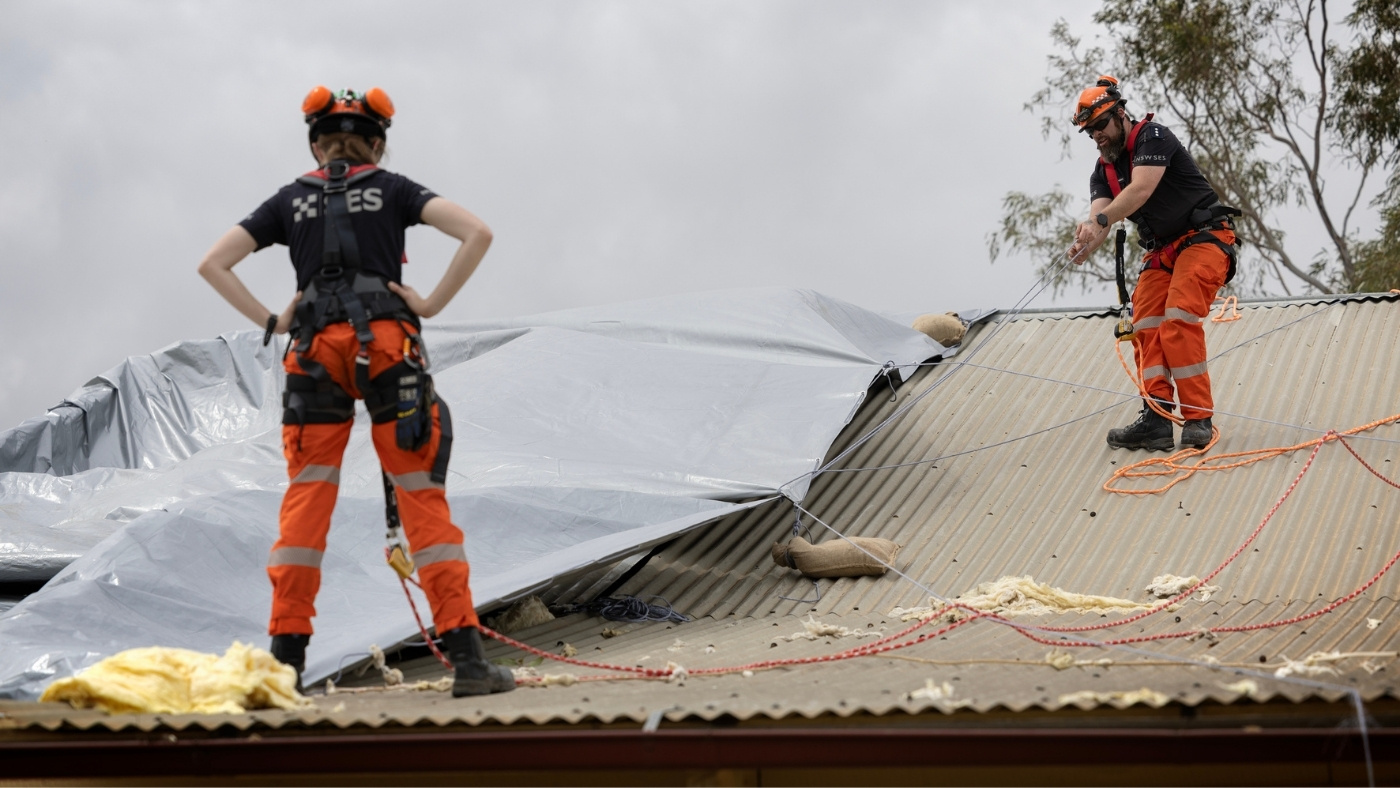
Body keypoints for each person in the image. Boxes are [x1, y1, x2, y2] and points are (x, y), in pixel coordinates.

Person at [197, 86, 514, 697]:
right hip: (388, 349)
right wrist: (429, 303)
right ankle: (469, 663)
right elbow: (477, 233)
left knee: (306, 502)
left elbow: (213, 263)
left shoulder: (289, 199)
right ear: (378, 143)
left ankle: (285, 667)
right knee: (422, 499)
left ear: (317, 145)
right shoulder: (394, 189)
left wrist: (274, 320)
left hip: (314, 357)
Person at [1066, 76, 1239, 452]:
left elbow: (1140, 189)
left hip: (1204, 239)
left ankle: (1198, 418)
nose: (1096, 136)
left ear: (1120, 114)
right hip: (1162, 253)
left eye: (1100, 126)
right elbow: (1101, 217)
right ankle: (1157, 419)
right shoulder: (1103, 171)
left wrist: (1099, 223)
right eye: (1089, 131)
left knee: (1178, 318)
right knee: (1144, 325)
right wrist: (1084, 245)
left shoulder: (1153, 138)